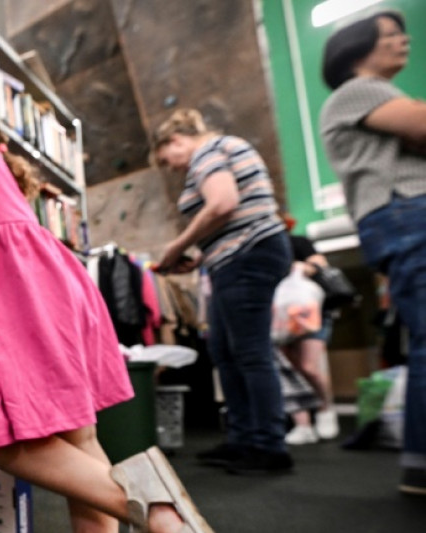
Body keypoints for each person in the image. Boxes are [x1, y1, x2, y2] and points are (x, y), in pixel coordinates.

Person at [0, 44, 212, 533]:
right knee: (80, 441)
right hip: (53, 286)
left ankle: (160, 514)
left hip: (16, 295)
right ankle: (158, 510)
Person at [319, 9, 425, 496]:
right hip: (405, 211)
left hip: (394, 217)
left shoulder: (372, 95)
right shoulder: (358, 90)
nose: (403, 41)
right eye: (390, 35)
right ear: (358, 48)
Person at [152, 109, 293, 475]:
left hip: (246, 253)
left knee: (250, 352)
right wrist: (198, 257)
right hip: (234, 255)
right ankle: (244, 439)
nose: (174, 169)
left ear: (176, 141)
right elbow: (229, 216)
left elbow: (223, 202)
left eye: (168, 161)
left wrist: (176, 246)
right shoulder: (216, 151)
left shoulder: (208, 151)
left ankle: (269, 445)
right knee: (226, 352)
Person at [280, 216, 340, 445]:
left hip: (310, 313)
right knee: (290, 369)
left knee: (309, 366)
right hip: (282, 317)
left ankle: (325, 408)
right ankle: (302, 424)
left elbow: (319, 265)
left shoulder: (298, 243)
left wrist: (299, 268)